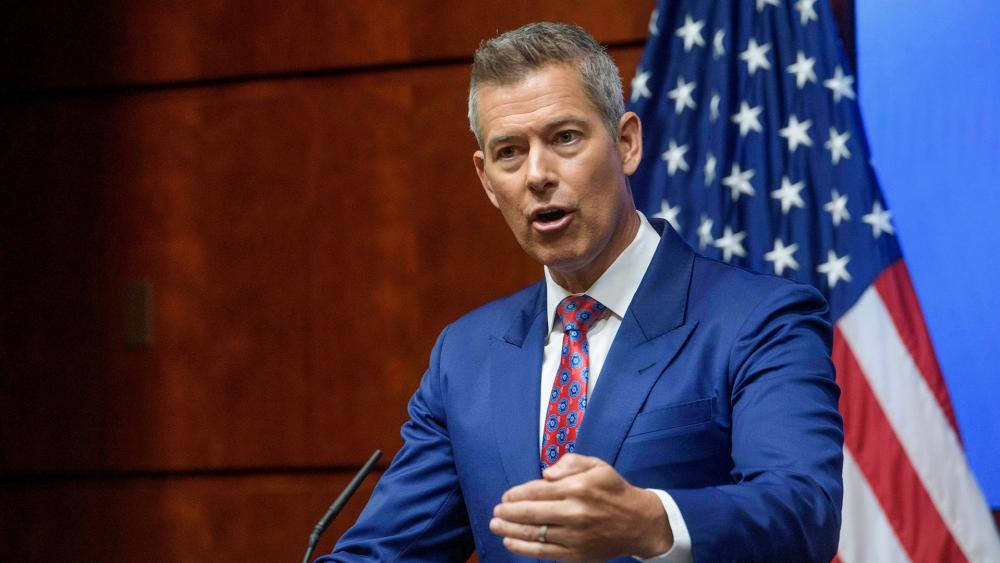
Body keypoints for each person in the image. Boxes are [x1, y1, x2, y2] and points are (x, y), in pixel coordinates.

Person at [319, 22, 843, 562]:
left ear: (626, 142)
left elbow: (803, 512)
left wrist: (653, 521)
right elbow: (386, 552)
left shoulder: (760, 319)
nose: (537, 175)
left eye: (564, 138)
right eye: (509, 152)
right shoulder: (466, 354)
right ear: (486, 180)